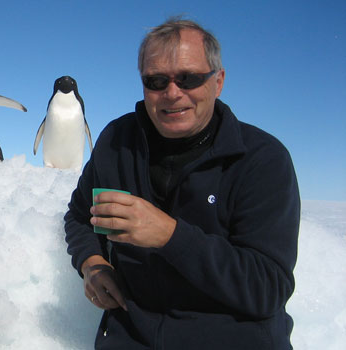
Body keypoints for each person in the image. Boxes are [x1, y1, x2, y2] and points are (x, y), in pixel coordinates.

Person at [64, 18, 300, 349]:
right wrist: (92, 264)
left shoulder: (261, 159)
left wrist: (170, 236)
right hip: (132, 336)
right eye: (156, 80)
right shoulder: (118, 143)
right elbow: (79, 216)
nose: (172, 93)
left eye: (188, 79)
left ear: (218, 81)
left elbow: (266, 289)